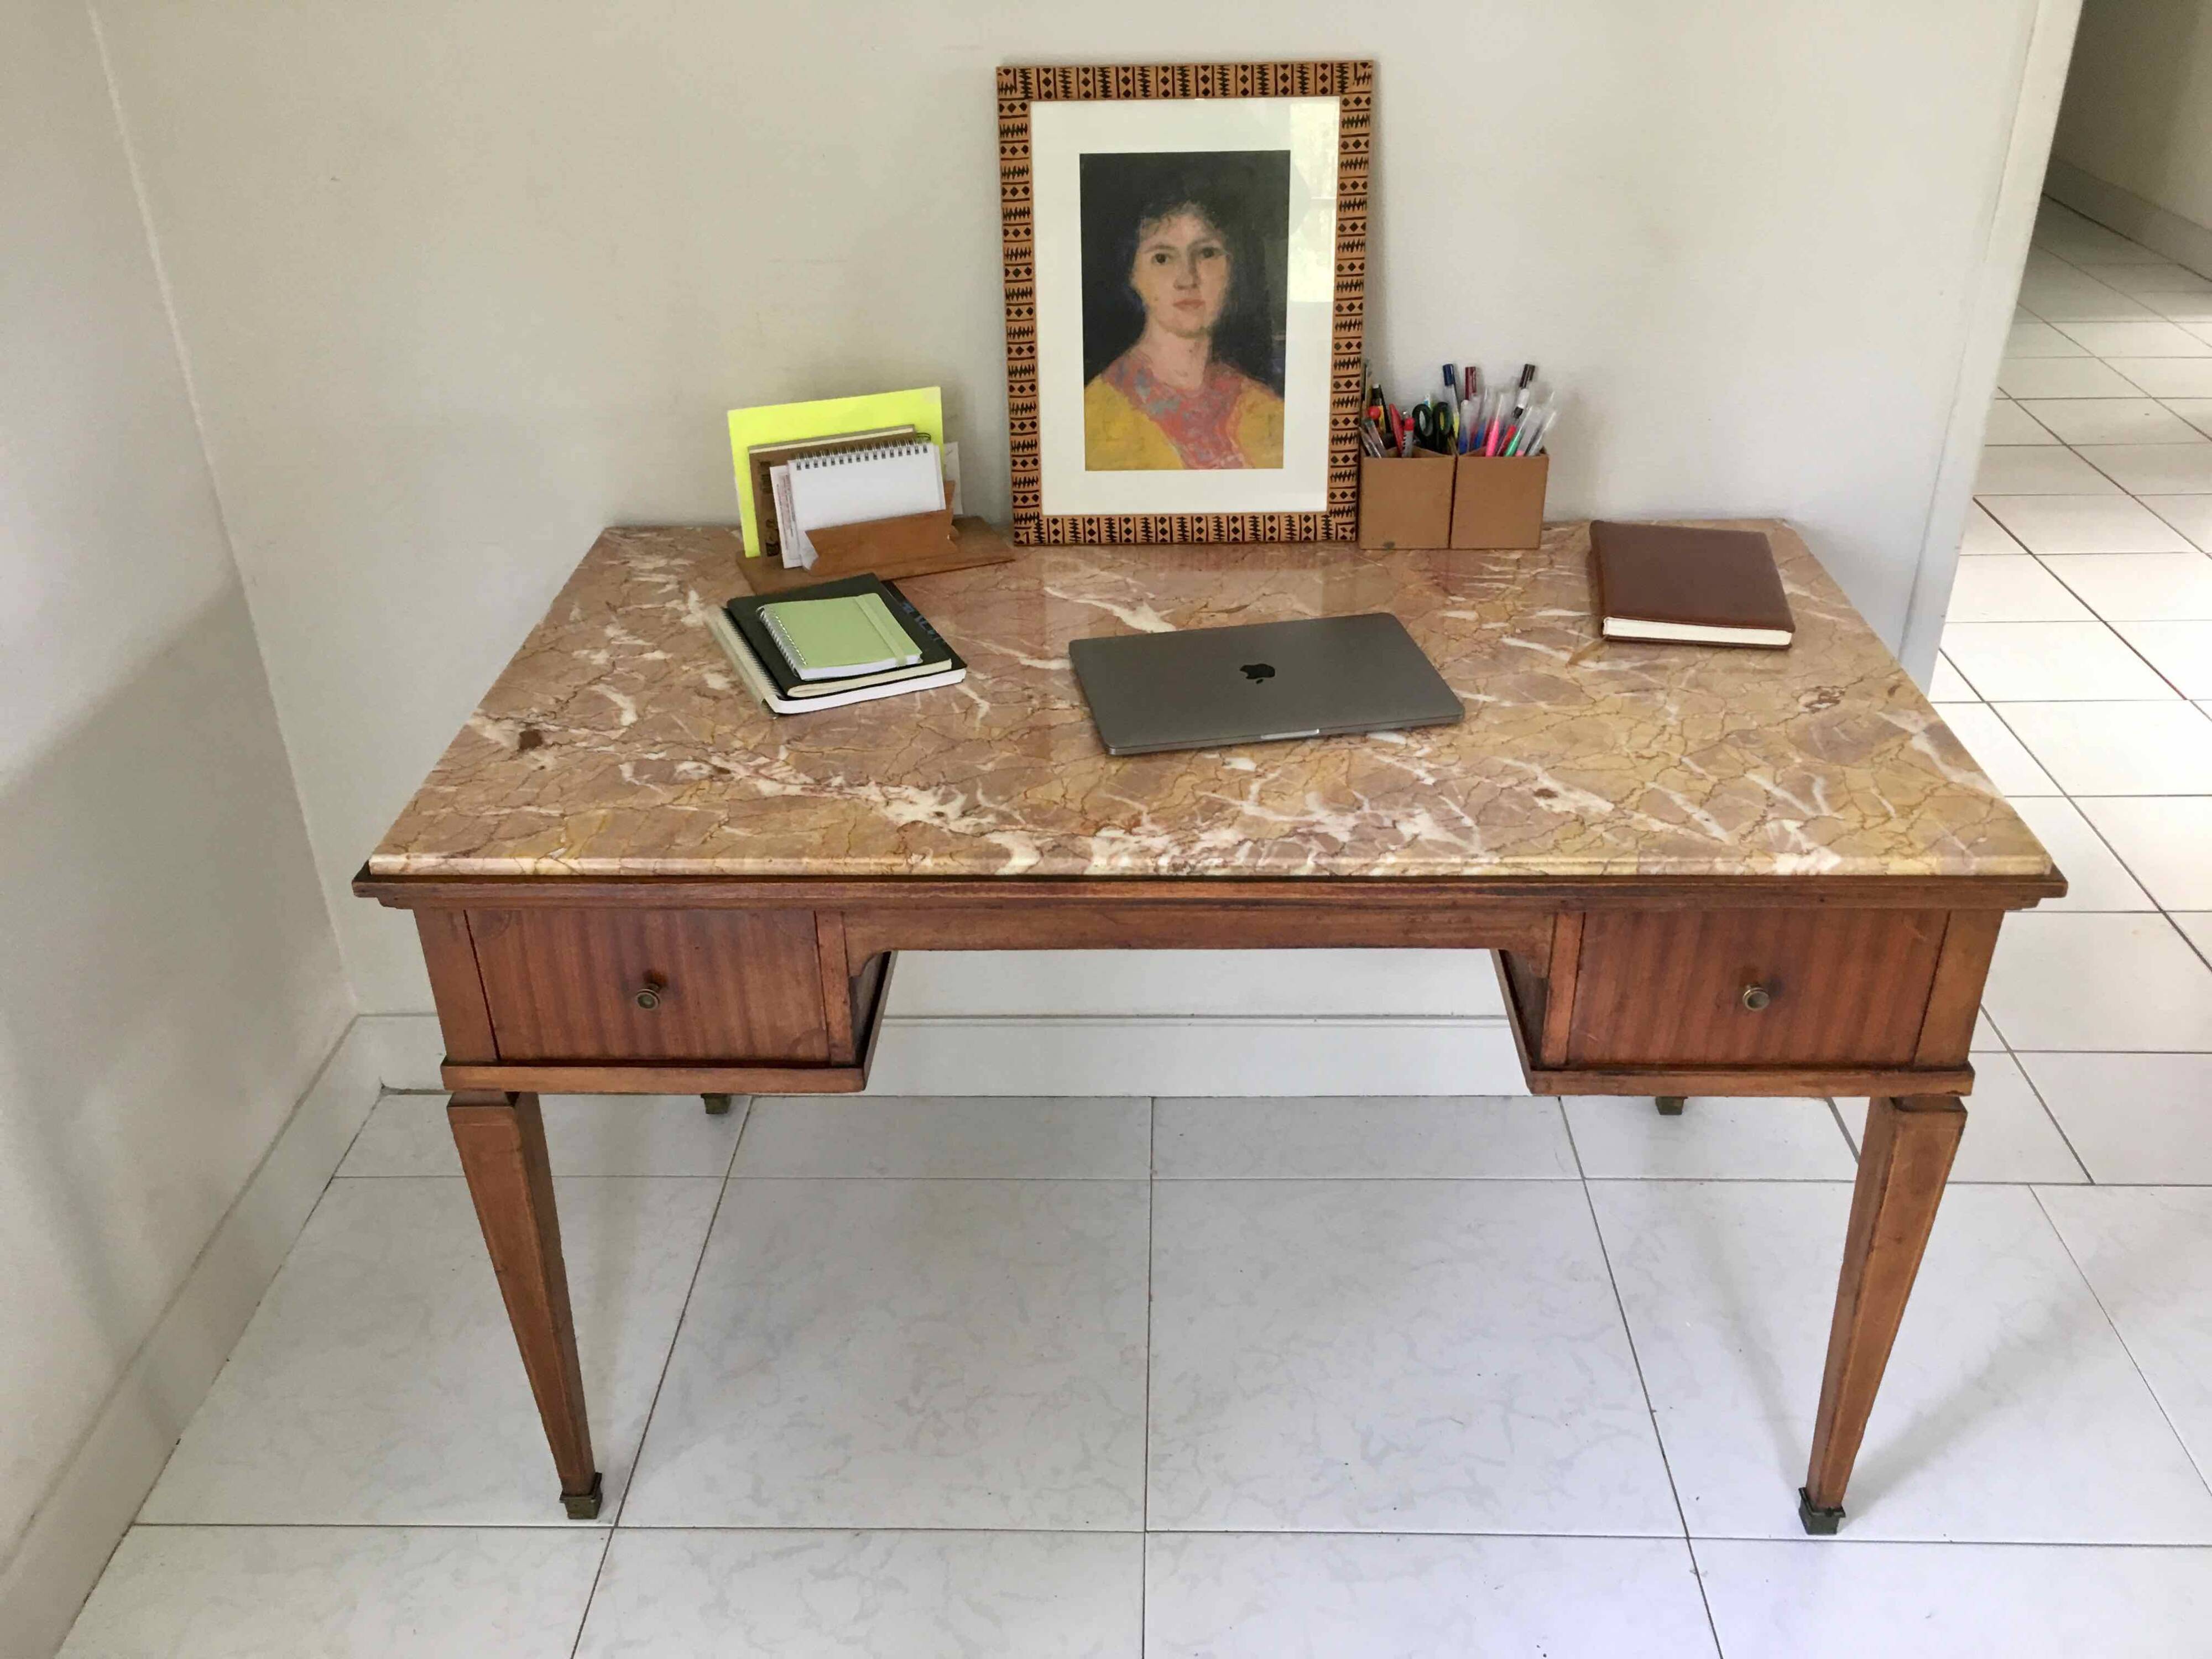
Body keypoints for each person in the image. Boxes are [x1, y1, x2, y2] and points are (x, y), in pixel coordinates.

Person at [1083, 197, 1285, 471]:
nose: (1188, 279)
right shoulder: (1096, 417)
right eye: (1162, 259)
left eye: (1207, 254)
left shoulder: (1268, 411)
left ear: (1232, 267)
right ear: (1132, 274)